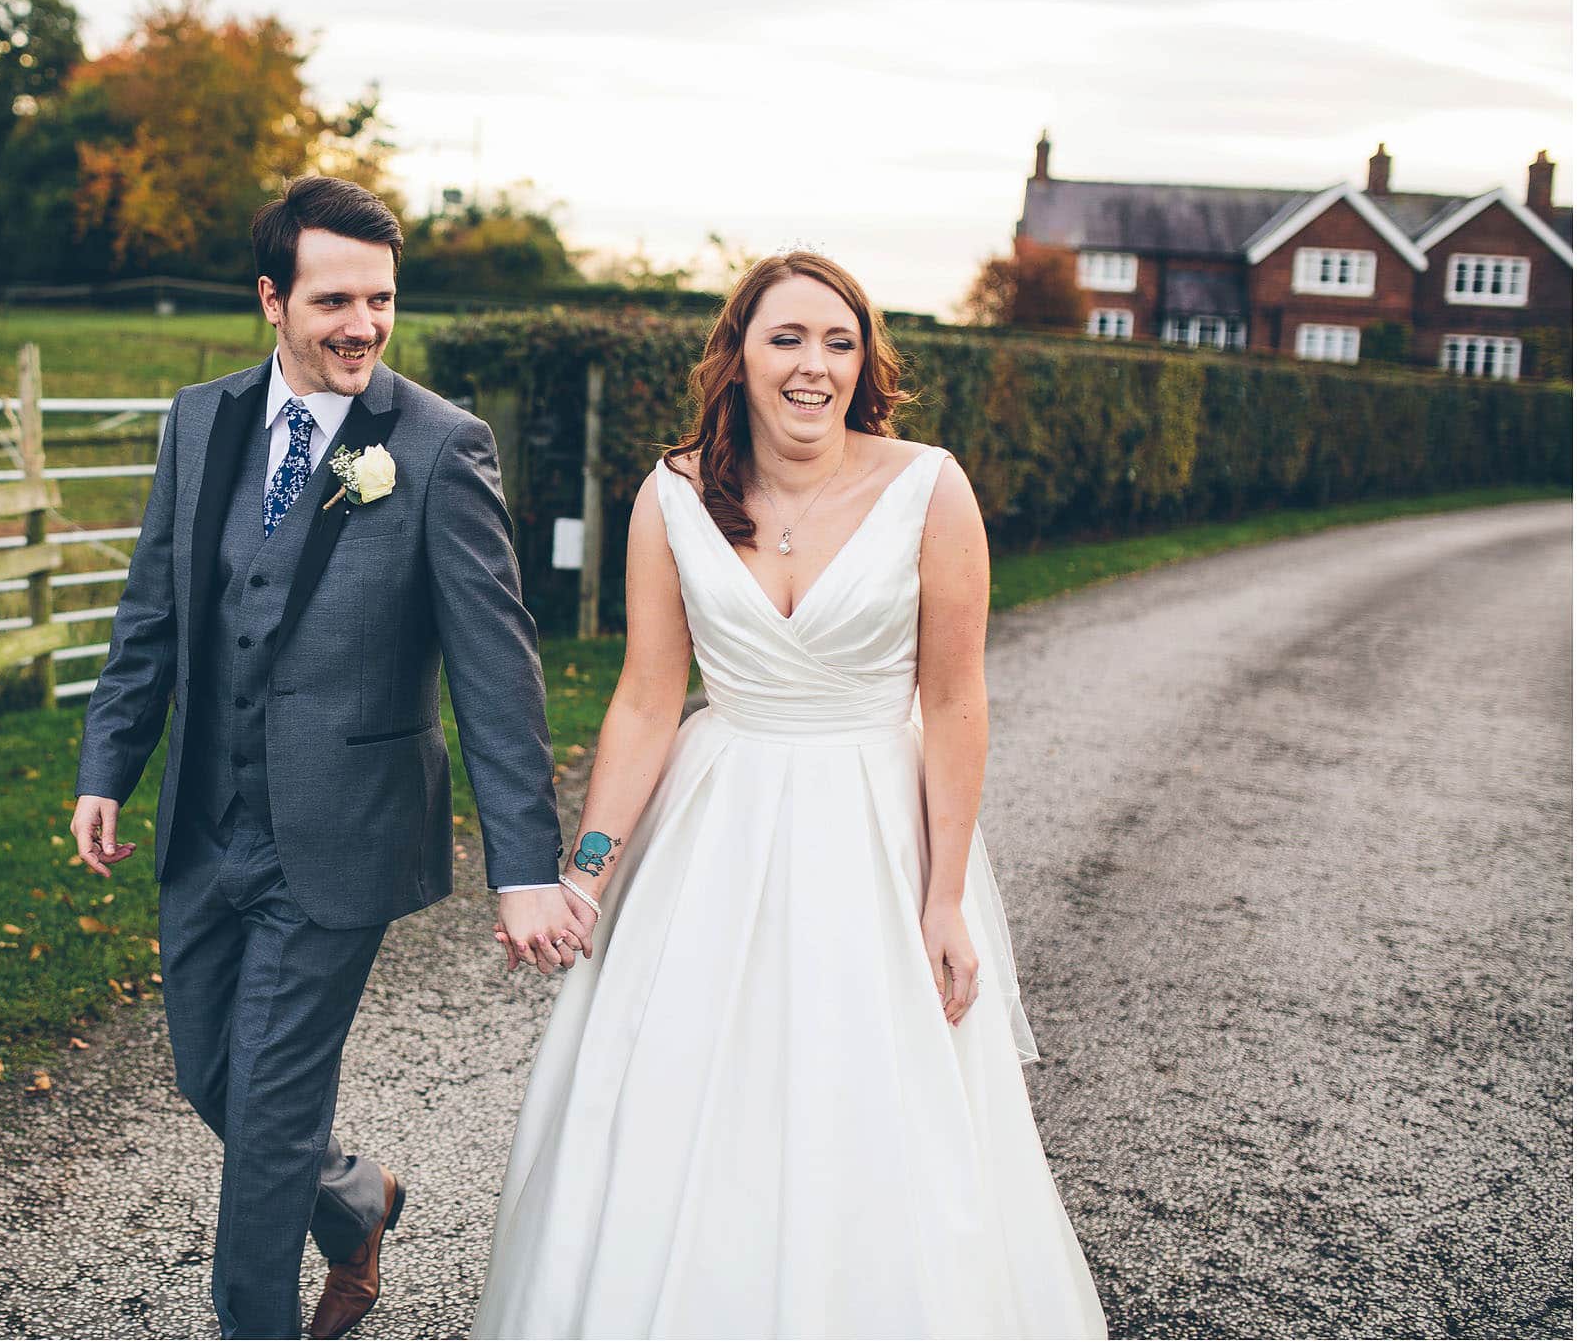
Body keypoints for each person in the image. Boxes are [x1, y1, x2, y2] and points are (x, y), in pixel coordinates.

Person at [473, 252, 1107, 1338]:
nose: (813, 364)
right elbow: (644, 697)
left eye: (839, 342)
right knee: (678, 1090)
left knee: (871, 1099)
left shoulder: (929, 485)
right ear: (738, 356)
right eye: (787, 338)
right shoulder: (673, 492)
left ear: (864, 366)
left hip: (873, 824)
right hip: (716, 822)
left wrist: (945, 895)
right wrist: (587, 867)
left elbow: (955, 703)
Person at [71, 176, 586, 1340]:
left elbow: (496, 671)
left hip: (342, 831)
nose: (363, 325)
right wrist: (109, 762)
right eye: (336, 299)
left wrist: (525, 863)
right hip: (205, 822)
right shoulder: (199, 420)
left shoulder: (442, 447)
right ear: (272, 299)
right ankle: (356, 1198)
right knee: (212, 1073)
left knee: (265, 1114)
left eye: (383, 299)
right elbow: (151, 609)